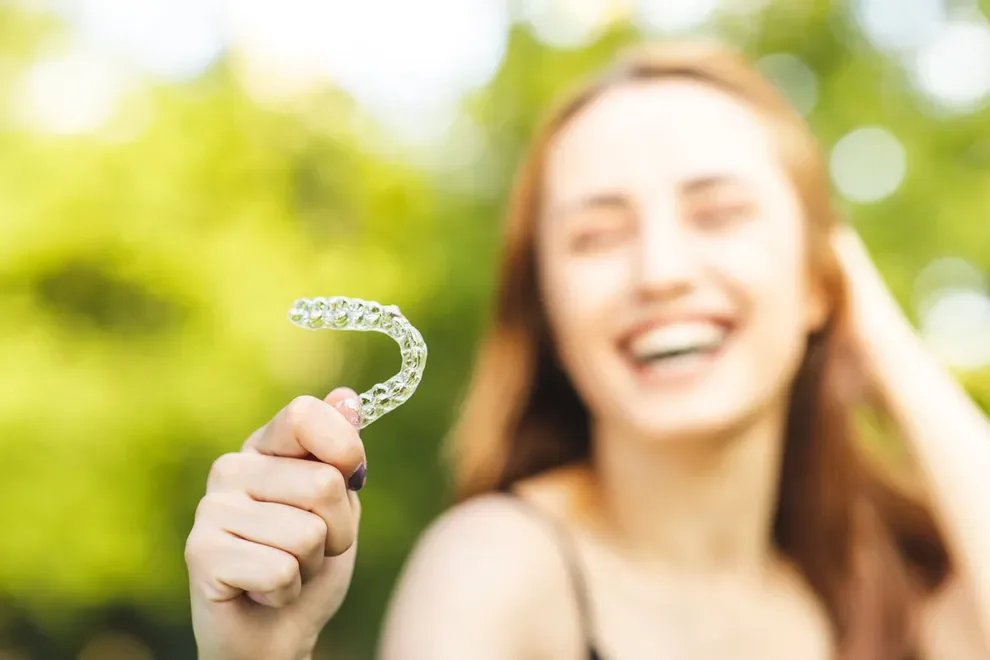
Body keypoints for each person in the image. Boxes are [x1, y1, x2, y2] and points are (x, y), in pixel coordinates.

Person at [184, 40, 990, 659]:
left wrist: (879, 336)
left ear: (822, 282)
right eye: (596, 235)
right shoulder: (499, 569)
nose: (660, 272)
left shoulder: (897, 587)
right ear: (550, 316)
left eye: (717, 213)